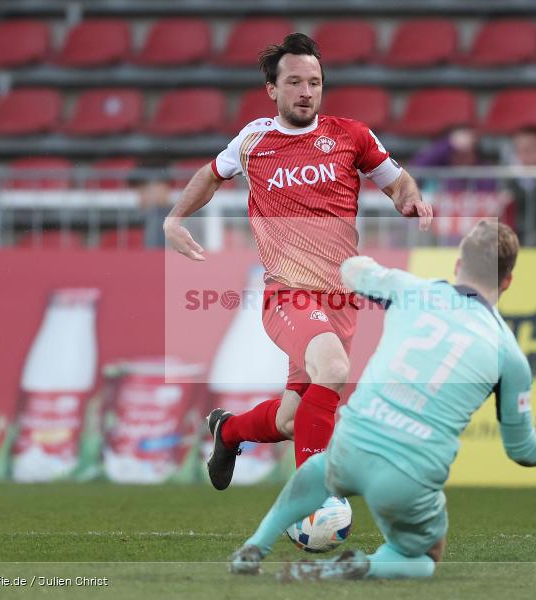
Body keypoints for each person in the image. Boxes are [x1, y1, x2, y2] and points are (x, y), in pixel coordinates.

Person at [162, 33, 433, 489]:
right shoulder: (254, 139)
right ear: (272, 89)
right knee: (335, 370)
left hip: (342, 298)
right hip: (287, 293)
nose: (306, 91)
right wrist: (174, 219)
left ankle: (227, 432)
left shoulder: (351, 136)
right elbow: (210, 177)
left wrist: (411, 202)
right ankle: (315, 499)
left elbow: (398, 182)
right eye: (294, 82)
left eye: (315, 82)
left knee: (292, 421)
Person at [228, 220, 536, 581]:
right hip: (410, 473)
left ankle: (256, 545)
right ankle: (362, 565)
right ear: (508, 282)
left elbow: (353, 270)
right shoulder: (510, 355)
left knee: (320, 468)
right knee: (426, 553)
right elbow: (521, 450)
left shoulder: (410, 289)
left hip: (354, 444)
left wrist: (352, 257)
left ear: (456, 266)